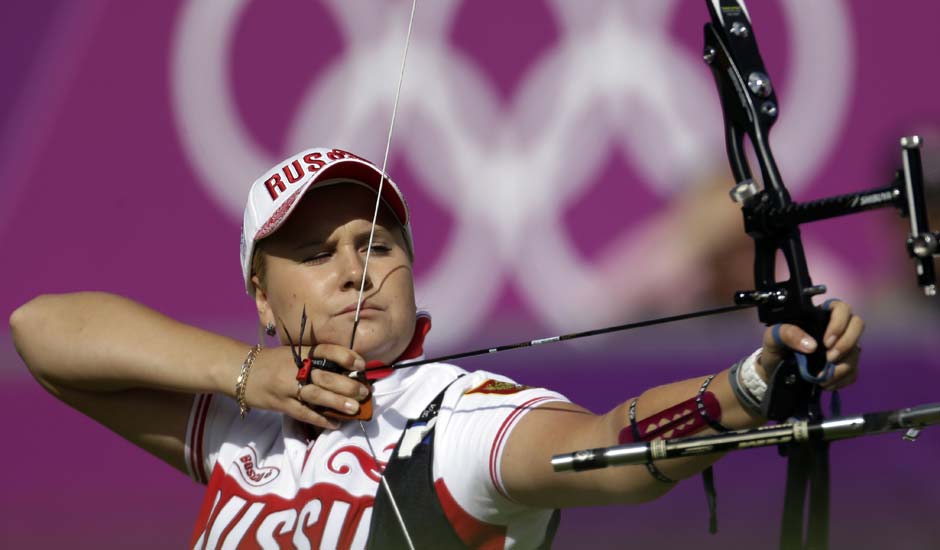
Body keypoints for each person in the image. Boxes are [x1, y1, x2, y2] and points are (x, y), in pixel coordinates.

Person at [10, 147, 864, 549]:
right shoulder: (247, 430)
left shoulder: (452, 422)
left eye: (376, 246)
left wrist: (751, 384)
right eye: (314, 256)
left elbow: (603, 449)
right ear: (263, 302)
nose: (354, 271)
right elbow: (40, 331)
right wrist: (248, 375)